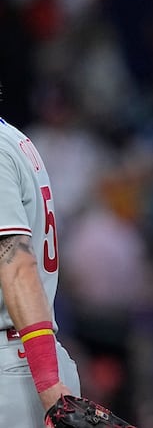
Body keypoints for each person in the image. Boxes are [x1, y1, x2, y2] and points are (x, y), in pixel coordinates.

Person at [0, 83, 81, 428]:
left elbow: (17, 265)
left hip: (14, 371)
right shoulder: (13, 137)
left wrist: (49, 388)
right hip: (27, 362)